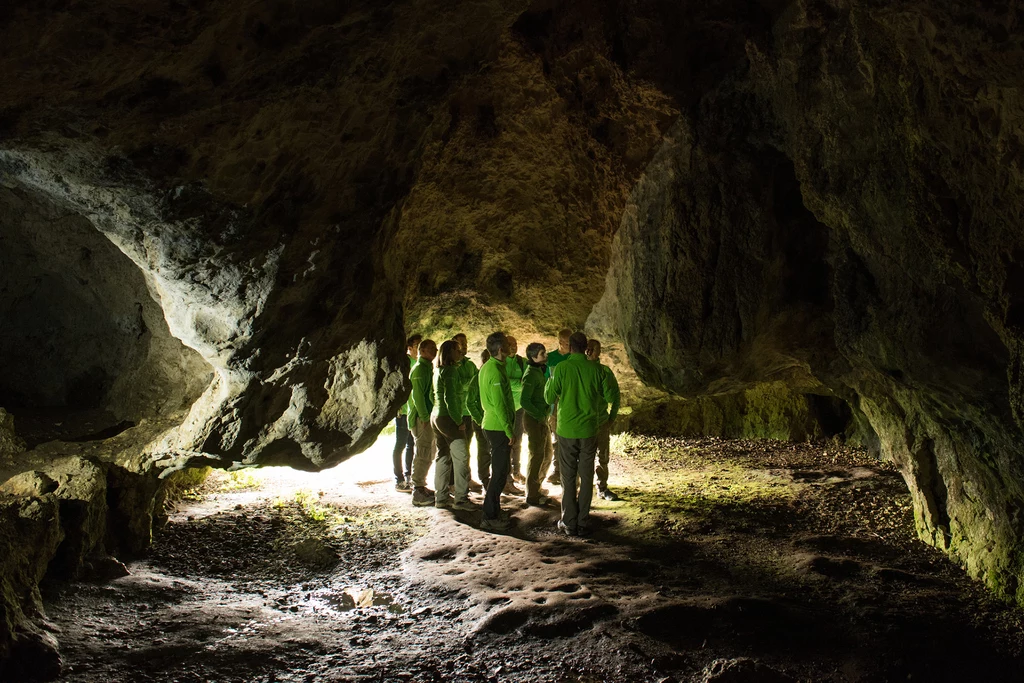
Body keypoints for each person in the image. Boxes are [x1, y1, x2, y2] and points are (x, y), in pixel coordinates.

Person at [544, 331, 615, 536]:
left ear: (570, 347)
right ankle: (583, 522)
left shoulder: (561, 368)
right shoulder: (596, 369)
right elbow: (609, 395)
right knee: (586, 475)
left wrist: (551, 378)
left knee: (567, 477)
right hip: (589, 429)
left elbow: (549, 397)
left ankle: (569, 521)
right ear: (585, 348)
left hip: (566, 430)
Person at [478, 332, 516, 532]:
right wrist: (509, 430)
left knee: (500, 472)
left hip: (493, 425)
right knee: (499, 473)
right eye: (508, 345)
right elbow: (500, 404)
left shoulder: (490, 367)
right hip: (497, 427)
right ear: (501, 349)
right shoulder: (494, 371)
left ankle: (493, 511)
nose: (511, 347)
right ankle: (489, 516)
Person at [432, 340, 476, 511]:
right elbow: (450, 399)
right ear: (449, 353)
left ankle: (441, 497)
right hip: (448, 419)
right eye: (457, 350)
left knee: (443, 456)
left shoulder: (438, 370)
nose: (460, 353)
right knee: (462, 458)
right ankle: (461, 499)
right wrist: (458, 421)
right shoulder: (450, 371)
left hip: (436, 416)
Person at [586, 338, 621, 501]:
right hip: (584, 423)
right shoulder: (581, 371)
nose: (594, 352)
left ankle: (602, 488)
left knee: (602, 457)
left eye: (596, 349)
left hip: (600, 422)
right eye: (593, 349)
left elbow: (615, 396)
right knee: (584, 457)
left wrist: (611, 418)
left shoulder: (604, 372)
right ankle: (583, 489)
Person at [520, 342, 553, 506]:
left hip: (541, 418)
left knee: (547, 454)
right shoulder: (530, 375)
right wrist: (540, 415)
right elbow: (524, 401)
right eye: (542, 354)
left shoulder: (539, 371)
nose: (545, 356)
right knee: (537, 455)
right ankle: (531, 494)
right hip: (534, 420)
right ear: (533, 357)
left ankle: (536, 487)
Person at [407, 339, 438, 507]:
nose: (435, 350)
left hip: (426, 417)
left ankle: (421, 486)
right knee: (423, 452)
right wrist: (425, 418)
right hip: (421, 419)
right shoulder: (419, 369)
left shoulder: (426, 368)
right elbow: (417, 397)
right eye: (431, 348)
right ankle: (417, 490)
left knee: (428, 452)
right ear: (422, 350)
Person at [454, 333, 484, 493]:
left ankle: (466, 478)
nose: (464, 346)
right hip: (457, 412)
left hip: (469, 411)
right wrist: (471, 382)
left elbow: (476, 383)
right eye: (460, 344)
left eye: (465, 343)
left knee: (467, 448)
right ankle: (455, 482)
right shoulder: (451, 365)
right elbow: (458, 386)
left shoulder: (469, 364)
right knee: (458, 449)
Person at [543, 328, 573, 485]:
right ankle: (557, 470)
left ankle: (569, 471)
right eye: (567, 343)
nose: (570, 346)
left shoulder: (573, 358)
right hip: (554, 403)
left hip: (569, 401)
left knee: (570, 438)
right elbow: (546, 380)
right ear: (560, 342)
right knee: (556, 437)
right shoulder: (550, 358)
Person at [393, 334, 421, 491]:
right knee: (401, 444)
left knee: (411, 444)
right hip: (404, 410)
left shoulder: (418, 364)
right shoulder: (406, 363)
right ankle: (399, 479)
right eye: (417, 346)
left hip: (413, 410)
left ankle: (408, 476)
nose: (419, 349)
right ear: (410, 348)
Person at [504, 335, 526, 493]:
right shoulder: (501, 362)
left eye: (515, 343)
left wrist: (514, 384)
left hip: (519, 408)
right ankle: (506, 477)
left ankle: (515, 471)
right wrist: (518, 384)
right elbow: (504, 383)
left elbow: (527, 380)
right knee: (505, 442)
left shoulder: (522, 362)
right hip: (505, 408)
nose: (513, 346)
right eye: (510, 344)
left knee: (517, 441)